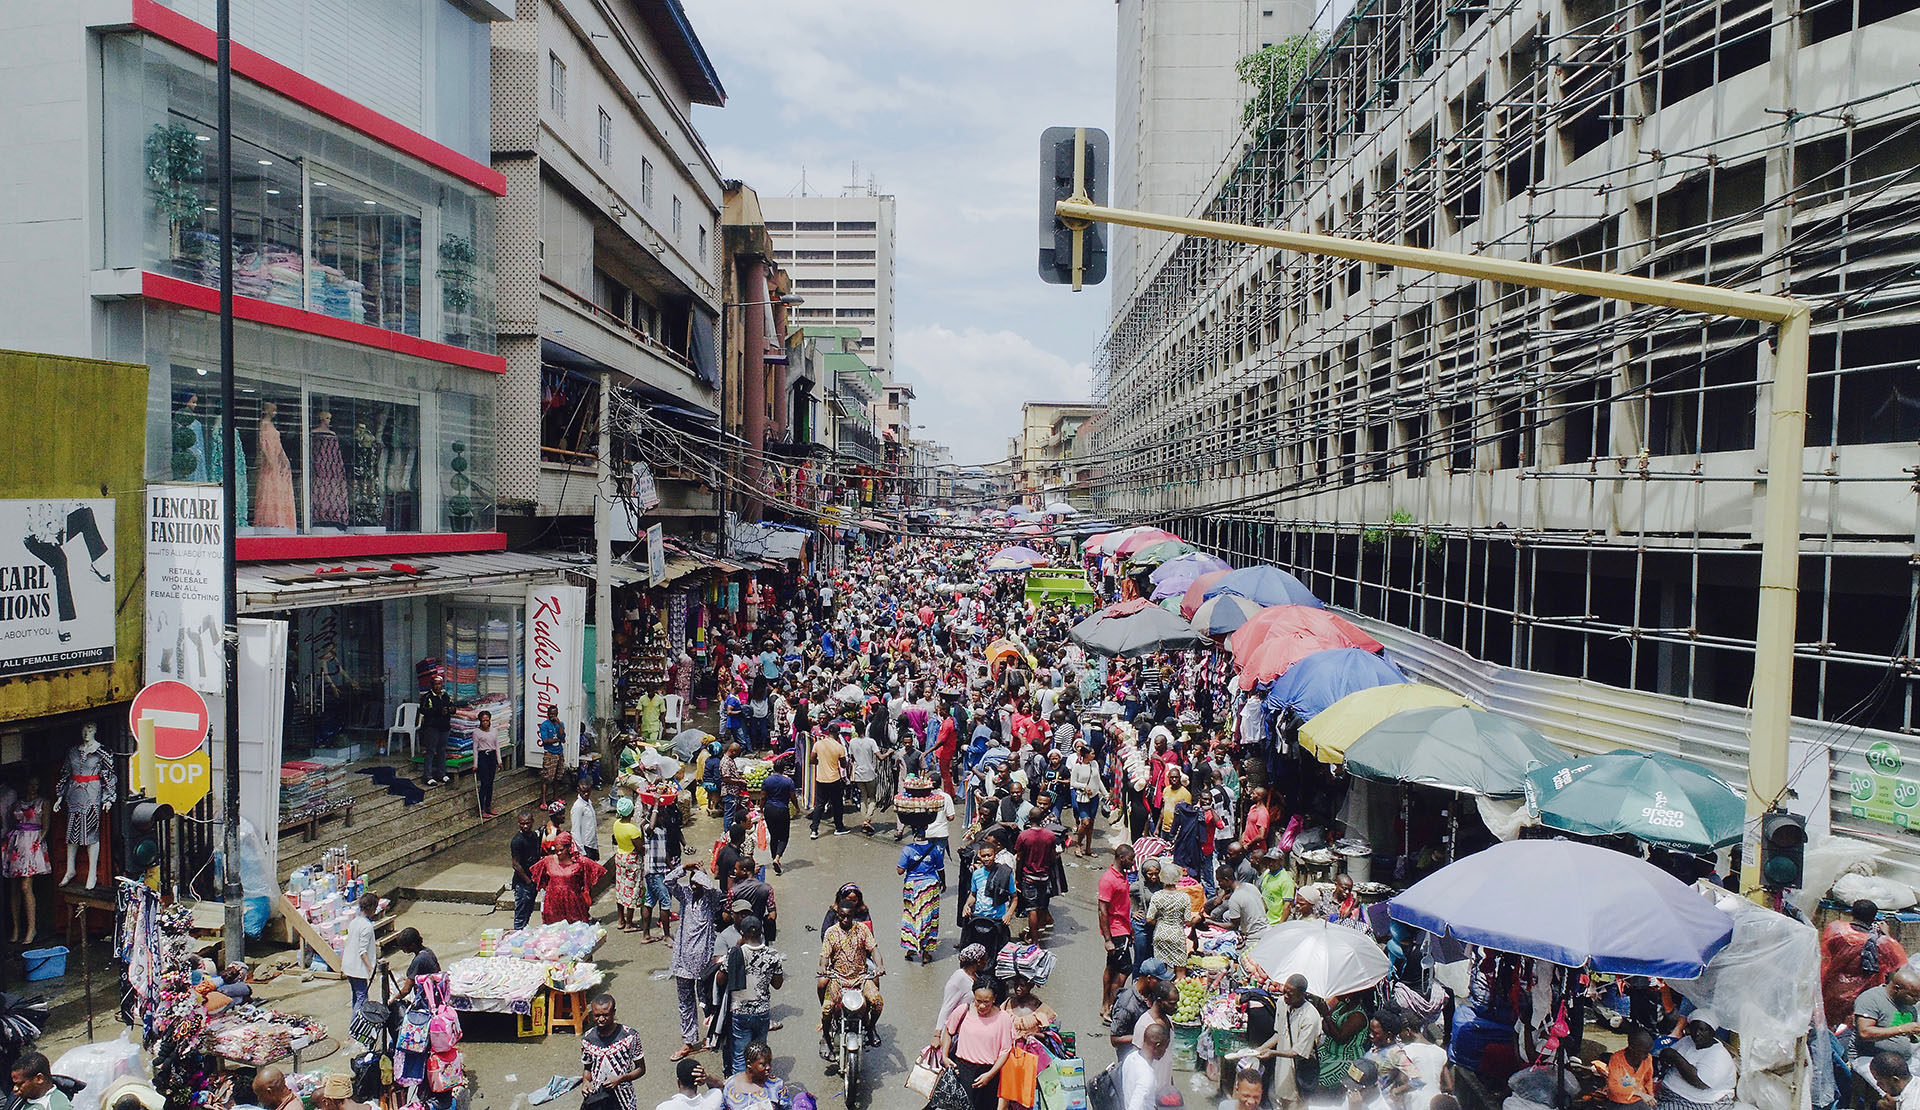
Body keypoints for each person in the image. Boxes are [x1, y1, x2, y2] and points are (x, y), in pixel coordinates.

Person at [668, 858, 724, 1061]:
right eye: (692, 883)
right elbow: (668, 882)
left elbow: (714, 890)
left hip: (704, 964)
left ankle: (712, 1036)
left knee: (708, 1002)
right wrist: (684, 869)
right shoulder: (685, 896)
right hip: (682, 962)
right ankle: (688, 1041)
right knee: (685, 1003)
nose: (693, 887)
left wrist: (701, 875)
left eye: (697, 884)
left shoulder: (710, 899)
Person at [1242, 975, 1323, 1110]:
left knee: (1295, 1104)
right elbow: (1279, 1034)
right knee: (1279, 1098)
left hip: (1298, 1069)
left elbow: (1299, 1052)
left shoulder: (1310, 1017)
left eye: (1290, 994)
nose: (1285, 996)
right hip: (1282, 1067)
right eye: (1284, 991)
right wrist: (1259, 1050)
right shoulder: (1281, 1003)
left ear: (1302, 995)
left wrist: (1272, 1053)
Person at [1825, 900, 1910, 1028]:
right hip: (1863, 995)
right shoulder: (1882, 942)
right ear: (1874, 917)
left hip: (1833, 989)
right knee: (1853, 1029)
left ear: (1852, 913)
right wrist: (1886, 935)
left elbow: (1829, 950)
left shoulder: (1836, 930)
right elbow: (1896, 962)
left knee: (1829, 1026)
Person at [818, 895, 884, 1058]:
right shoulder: (831, 932)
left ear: (854, 914)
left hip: (861, 978)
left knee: (877, 1003)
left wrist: (880, 965)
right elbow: (824, 956)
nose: (845, 919)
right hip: (838, 979)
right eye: (842, 915)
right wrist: (822, 967)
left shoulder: (863, 929)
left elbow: (874, 950)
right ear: (838, 914)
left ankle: (870, 1028)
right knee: (826, 1010)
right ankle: (826, 1038)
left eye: (849, 915)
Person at [941, 975, 1016, 1110]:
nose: (981, 1006)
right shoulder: (964, 1011)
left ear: (994, 998)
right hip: (962, 1071)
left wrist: (990, 1074)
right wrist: (944, 1056)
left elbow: (1005, 1051)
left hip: (988, 1074)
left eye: (986, 1001)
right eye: (978, 1000)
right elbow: (948, 1031)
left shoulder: (1003, 1019)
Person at [725, 916, 784, 1077]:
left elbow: (721, 978)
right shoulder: (772, 954)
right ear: (761, 932)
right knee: (760, 1054)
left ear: (742, 933)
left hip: (740, 1011)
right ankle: (759, 1089)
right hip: (762, 1011)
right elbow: (778, 984)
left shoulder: (735, 952)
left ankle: (740, 1092)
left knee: (740, 1055)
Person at [1858, 967, 1920, 1088]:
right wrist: (1902, 1029)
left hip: (1902, 1061)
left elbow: (1910, 1037)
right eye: (1914, 996)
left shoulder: (1910, 1007)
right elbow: (1864, 1033)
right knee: (1896, 1093)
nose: (1917, 1001)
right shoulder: (1871, 999)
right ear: (1897, 989)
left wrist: (1915, 1033)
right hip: (1871, 1059)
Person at [580, 994, 645, 1110]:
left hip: (624, 1098)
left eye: (605, 1015)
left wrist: (620, 1079)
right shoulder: (587, 1039)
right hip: (598, 1099)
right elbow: (587, 1068)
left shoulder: (630, 1036)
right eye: (597, 1015)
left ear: (613, 1013)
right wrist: (585, 1082)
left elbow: (641, 1069)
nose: (601, 1019)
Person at [1657, 1021, 1737, 1110]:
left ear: (1712, 1032)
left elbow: (1700, 1082)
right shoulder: (1686, 1041)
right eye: (1694, 1029)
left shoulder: (1719, 1054)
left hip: (1698, 1101)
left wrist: (1676, 1057)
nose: (1697, 1033)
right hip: (1670, 1094)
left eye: (1702, 1030)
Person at [1099, 844, 1137, 1025]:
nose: (1133, 862)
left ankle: (1105, 1006)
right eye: (1131, 859)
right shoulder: (1108, 880)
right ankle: (1111, 1006)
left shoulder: (1122, 876)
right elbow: (1102, 910)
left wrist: (1130, 929)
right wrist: (1108, 939)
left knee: (1111, 968)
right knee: (1125, 969)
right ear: (1122, 858)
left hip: (1123, 928)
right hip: (1115, 931)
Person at [530, 833, 606, 924]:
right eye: (556, 850)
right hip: (552, 904)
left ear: (569, 848)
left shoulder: (580, 862)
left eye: (561, 850)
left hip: (573, 903)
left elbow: (598, 871)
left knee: (576, 930)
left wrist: (583, 885)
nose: (558, 853)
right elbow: (538, 875)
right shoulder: (547, 861)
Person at [1013, 805, 1060, 944]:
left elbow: (1019, 859)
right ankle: (1036, 934)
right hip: (1044, 876)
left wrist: (1017, 878)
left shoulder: (1024, 836)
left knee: (1031, 909)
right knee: (1040, 905)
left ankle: (1034, 941)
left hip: (1029, 877)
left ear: (1029, 818)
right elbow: (1052, 857)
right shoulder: (1050, 836)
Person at [899, 827, 945, 962]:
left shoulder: (908, 850)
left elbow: (900, 871)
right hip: (930, 886)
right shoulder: (934, 849)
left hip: (912, 887)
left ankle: (911, 948)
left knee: (911, 916)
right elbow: (941, 869)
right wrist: (944, 883)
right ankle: (925, 953)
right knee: (930, 918)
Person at [1110, 958, 1171, 1059]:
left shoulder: (1153, 993)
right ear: (1149, 978)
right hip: (1132, 1057)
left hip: (1152, 1054)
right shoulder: (1126, 1005)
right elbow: (1115, 1039)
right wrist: (1144, 1036)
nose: (1162, 984)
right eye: (1159, 980)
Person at [641, 798, 681, 944]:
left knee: (650, 901)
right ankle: (666, 935)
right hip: (653, 872)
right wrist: (656, 804)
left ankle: (646, 935)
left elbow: (664, 853)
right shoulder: (647, 829)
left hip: (659, 870)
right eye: (661, 815)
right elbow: (650, 825)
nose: (663, 817)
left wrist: (673, 869)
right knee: (665, 901)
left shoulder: (662, 829)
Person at [1142, 858, 1194, 970]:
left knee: (1161, 972)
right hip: (1177, 934)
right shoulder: (1184, 897)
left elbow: (1149, 919)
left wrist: (1161, 921)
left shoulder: (1157, 896)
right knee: (1180, 971)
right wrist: (1198, 918)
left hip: (1160, 933)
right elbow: (1188, 921)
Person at [1592, 1026, 1657, 1106]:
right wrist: (1639, 1094)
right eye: (1644, 1052)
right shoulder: (1616, 1059)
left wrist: (1650, 1096)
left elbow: (1648, 1080)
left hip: (1639, 1100)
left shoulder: (1647, 1059)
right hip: (1619, 1101)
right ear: (1632, 1048)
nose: (1647, 1055)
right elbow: (1613, 1087)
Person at [341, 891, 379, 1015]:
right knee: (362, 998)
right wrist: (371, 969)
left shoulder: (354, 922)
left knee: (356, 996)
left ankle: (355, 1024)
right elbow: (362, 951)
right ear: (372, 908)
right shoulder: (367, 927)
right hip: (358, 969)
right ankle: (355, 1027)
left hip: (348, 966)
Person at [940, 944, 992, 1033]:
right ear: (978, 961)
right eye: (985, 959)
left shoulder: (976, 977)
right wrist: (937, 1034)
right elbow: (946, 1008)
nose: (986, 962)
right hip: (957, 1028)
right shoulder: (959, 978)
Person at [1209, 864, 1269, 942]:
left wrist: (1212, 923)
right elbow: (1265, 907)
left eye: (1220, 881)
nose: (1219, 885)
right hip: (1267, 931)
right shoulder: (1251, 886)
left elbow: (1233, 926)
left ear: (1226, 880)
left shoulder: (1234, 898)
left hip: (1254, 937)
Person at [809, 725, 849, 838]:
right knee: (837, 804)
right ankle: (839, 827)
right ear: (837, 733)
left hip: (820, 779)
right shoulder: (839, 747)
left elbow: (812, 759)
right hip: (834, 779)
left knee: (819, 805)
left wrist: (820, 763)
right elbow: (843, 764)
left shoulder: (818, 744)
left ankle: (814, 830)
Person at [418, 672, 457, 787]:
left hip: (444, 727)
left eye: (440, 684)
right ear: (432, 685)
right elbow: (423, 710)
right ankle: (428, 775)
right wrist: (438, 711)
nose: (438, 687)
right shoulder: (427, 697)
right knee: (430, 751)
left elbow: (452, 706)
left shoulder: (445, 695)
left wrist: (451, 709)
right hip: (432, 727)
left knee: (442, 750)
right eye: (435, 684)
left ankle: (442, 773)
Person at [721, 1041, 784, 1110]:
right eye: (763, 1064)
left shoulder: (777, 1085)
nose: (768, 1067)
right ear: (749, 1063)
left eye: (769, 1062)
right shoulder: (730, 1085)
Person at [611, 798, 643, 933]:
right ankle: (629, 923)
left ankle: (620, 920)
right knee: (632, 890)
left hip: (620, 857)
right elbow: (641, 849)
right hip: (632, 860)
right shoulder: (633, 830)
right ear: (631, 813)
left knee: (621, 888)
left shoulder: (616, 824)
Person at [510, 809, 545, 930]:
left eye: (527, 823)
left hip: (533, 880)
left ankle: (524, 933)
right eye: (522, 823)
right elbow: (516, 864)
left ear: (532, 822)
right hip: (523, 883)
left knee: (528, 911)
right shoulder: (517, 841)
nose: (525, 826)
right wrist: (528, 881)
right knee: (521, 914)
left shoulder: (534, 836)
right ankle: (518, 936)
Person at [1123, 1024, 1170, 1110]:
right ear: (1157, 1046)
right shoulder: (1147, 1077)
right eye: (1165, 1047)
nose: (1165, 1051)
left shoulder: (1131, 1057)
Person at [759, 764, 796, 875]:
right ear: (783, 769)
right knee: (784, 837)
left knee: (774, 836)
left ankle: (773, 859)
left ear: (774, 768)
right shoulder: (788, 781)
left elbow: (763, 796)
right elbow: (793, 796)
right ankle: (777, 858)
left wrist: (761, 809)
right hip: (782, 810)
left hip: (769, 810)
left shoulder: (767, 780)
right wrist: (797, 807)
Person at [656, 1057, 725, 1110]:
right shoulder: (713, 1101)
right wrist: (707, 1078)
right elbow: (720, 1087)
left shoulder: (664, 1107)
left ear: (678, 1081)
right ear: (699, 1081)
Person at [391, 927, 438, 1000]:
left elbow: (406, 990)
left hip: (426, 998)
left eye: (403, 947)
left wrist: (392, 1001)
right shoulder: (428, 952)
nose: (402, 949)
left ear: (412, 945)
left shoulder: (418, 960)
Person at [539, 704, 570, 807]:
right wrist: (557, 739)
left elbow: (563, 736)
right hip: (550, 753)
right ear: (547, 714)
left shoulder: (560, 724)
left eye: (554, 714)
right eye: (551, 714)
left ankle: (555, 797)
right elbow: (545, 740)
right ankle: (543, 801)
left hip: (559, 753)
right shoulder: (544, 725)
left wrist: (559, 725)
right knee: (547, 778)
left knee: (558, 777)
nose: (552, 716)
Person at [473, 709, 501, 817]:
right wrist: (475, 764)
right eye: (483, 721)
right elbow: (475, 748)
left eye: (487, 720)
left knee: (490, 783)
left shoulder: (494, 731)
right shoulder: (476, 732)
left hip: (492, 756)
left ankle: (489, 806)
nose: (485, 723)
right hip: (483, 756)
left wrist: (499, 760)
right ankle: (481, 808)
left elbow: (497, 745)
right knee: (484, 783)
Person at [572, 780, 601, 861]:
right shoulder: (578, 807)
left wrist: (596, 847)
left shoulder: (589, 803)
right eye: (583, 791)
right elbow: (575, 830)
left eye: (588, 791)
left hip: (592, 845)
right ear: (578, 790)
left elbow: (592, 827)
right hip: (585, 846)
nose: (586, 794)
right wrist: (582, 851)